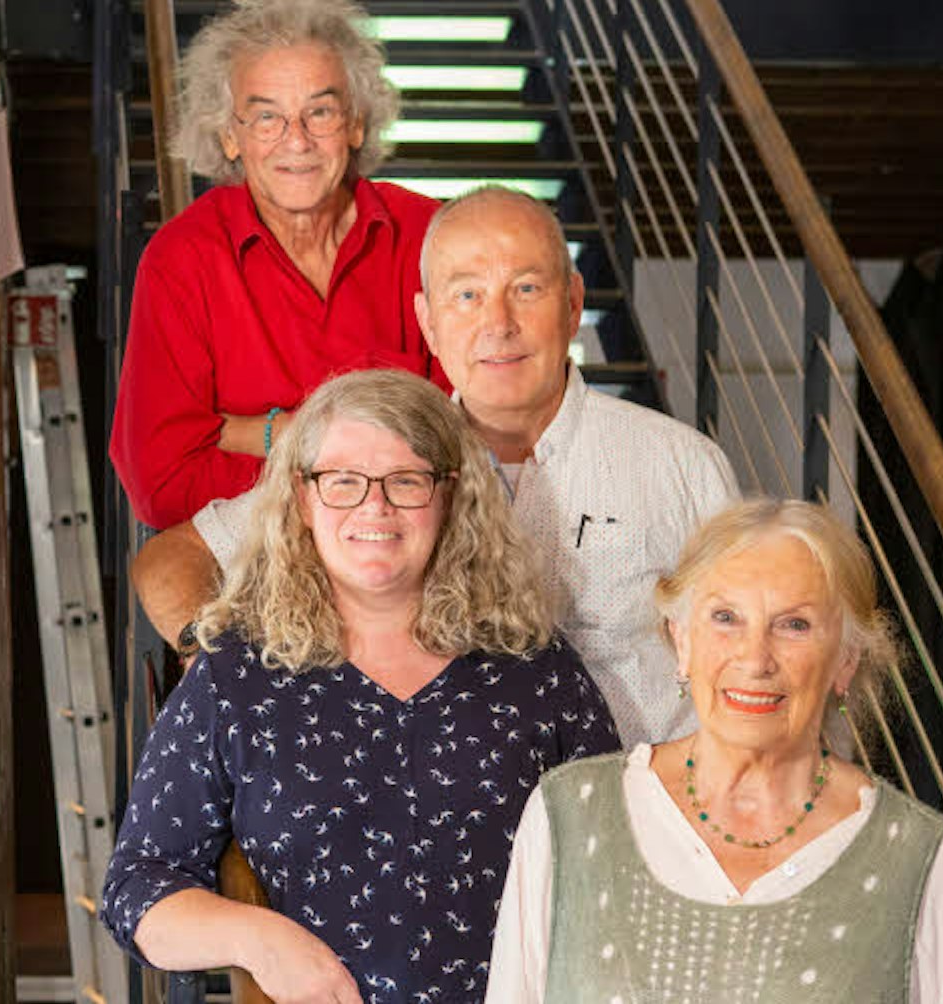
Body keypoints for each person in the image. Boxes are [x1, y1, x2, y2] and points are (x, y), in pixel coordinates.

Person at [134, 186, 738, 746]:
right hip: (440, 813)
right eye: (467, 295)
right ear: (428, 321)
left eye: (527, 289)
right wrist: (218, 663)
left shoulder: (679, 466)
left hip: (631, 808)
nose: (498, 324)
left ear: (574, 303)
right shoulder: (374, 461)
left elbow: (749, 652)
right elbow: (169, 561)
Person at [101, 369, 621, 1004]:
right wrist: (262, 941)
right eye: (342, 481)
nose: (375, 507)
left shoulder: (537, 670)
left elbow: (617, 869)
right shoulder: (238, 677)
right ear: (303, 499)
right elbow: (136, 889)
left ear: (451, 496)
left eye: (406, 480)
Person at [485, 499, 943, 1004]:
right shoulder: (569, 818)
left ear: (846, 660)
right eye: (726, 617)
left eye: (794, 625)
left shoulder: (929, 865)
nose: (755, 659)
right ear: (682, 641)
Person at [108, 0, 450, 531]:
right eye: (267, 117)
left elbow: (468, 441)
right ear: (230, 135)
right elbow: (162, 484)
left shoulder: (430, 236)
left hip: (410, 547)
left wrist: (260, 434)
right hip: (251, 553)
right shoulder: (182, 258)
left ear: (356, 123)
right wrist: (364, 472)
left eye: (321, 112)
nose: (296, 140)